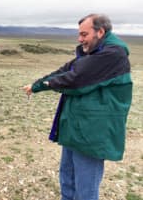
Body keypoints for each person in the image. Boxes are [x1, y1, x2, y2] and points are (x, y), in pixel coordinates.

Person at [23, 14, 132, 200]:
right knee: (68, 179)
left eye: (84, 34)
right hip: (76, 128)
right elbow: (67, 69)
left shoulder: (112, 54)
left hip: (92, 132)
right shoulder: (94, 52)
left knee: (85, 187)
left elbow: (75, 79)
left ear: (100, 31)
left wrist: (49, 85)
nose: (80, 39)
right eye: (79, 34)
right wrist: (37, 85)